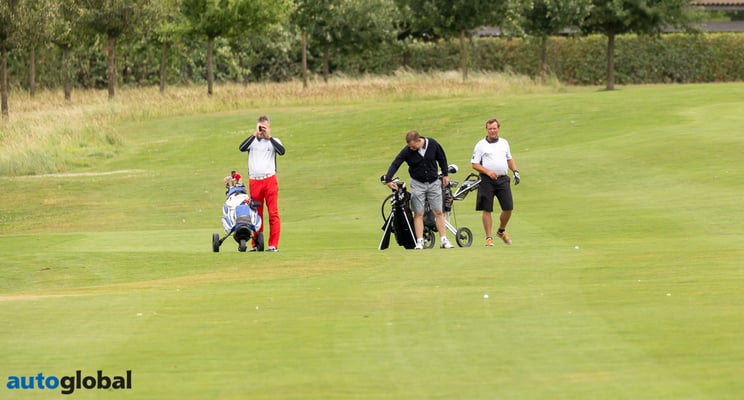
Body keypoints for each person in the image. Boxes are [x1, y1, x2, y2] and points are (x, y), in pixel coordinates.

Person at [383, 130, 454, 249]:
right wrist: (388, 179)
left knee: (438, 212)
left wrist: (445, 174)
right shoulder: (407, 150)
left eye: (413, 146)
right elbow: (396, 163)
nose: (411, 148)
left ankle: (444, 240)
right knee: (418, 213)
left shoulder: (432, 144)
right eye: (409, 146)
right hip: (417, 184)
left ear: (418, 140)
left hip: (433, 182)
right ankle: (420, 241)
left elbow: (442, 158)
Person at [239, 115, 286, 252]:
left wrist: (269, 137)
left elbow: (282, 151)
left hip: (269, 179)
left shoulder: (274, 141)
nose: (262, 130)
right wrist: (255, 134)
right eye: (260, 127)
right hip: (255, 181)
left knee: (273, 213)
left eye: (264, 127)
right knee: (256, 213)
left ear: (269, 127)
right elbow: (241, 148)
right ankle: (256, 244)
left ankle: (273, 245)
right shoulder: (252, 141)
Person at [471, 118, 520, 246]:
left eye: (494, 128)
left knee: (508, 208)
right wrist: (488, 172)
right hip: (486, 180)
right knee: (487, 209)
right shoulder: (480, 145)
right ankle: (488, 238)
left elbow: (509, 159)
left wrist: (515, 171)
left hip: (502, 179)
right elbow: (475, 164)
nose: (492, 131)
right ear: (486, 130)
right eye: (490, 129)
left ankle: (501, 230)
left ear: (498, 129)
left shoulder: (504, 143)